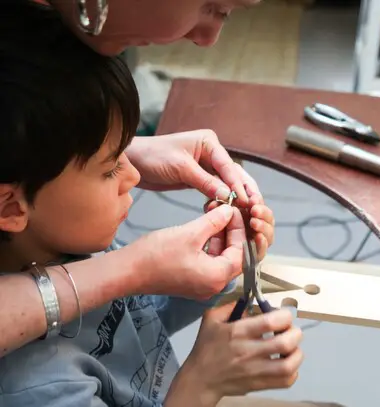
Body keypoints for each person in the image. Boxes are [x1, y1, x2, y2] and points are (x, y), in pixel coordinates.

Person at [0, 2, 303, 406]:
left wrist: (214, 263)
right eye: (110, 170)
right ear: (10, 209)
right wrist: (203, 383)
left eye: (128, 150)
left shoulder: (73, 248)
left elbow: (144, 316)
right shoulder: (38, 387)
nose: (135, 176)